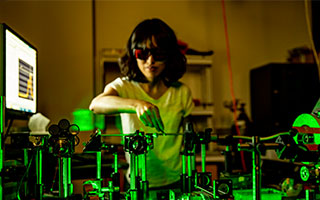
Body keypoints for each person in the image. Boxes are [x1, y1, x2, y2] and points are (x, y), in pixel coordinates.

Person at [89, 18, 194, 191]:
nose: (150, 61)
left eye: (159, 54)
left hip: (176, 182)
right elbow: (96, 104)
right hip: (137, 183)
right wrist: (136, 104)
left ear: (170, 56)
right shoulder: (124, 86)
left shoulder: (181, 92)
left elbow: (190, 137)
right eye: (142, 53)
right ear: (133, 54)